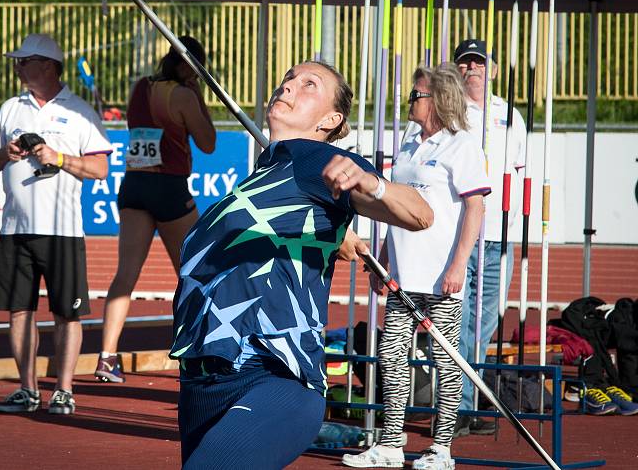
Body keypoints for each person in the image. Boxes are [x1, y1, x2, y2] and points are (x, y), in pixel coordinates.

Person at [171, 60, 434, 470]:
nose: (289, 86)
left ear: (331, 119)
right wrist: (331, 233)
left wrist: (373, 184)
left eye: (308, 84)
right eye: (287, 79)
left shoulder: (313, 157)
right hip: (202, 382)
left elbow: (420, 214)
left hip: (271, 374)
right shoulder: (265, 174)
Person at [343, 64, 489, 470]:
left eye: (416, 95)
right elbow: (396, 208)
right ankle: (391, 444)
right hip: (403, 275)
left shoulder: (462, 145)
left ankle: (441, 448)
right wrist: (383, 259)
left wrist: (459, 265)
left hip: (442, 275)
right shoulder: (408, 145)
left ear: (437, 100)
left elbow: (475, 209)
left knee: (444, 361)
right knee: (390, 356)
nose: (410, 100)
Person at [0, 33, 112, 415]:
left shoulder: (81, 110)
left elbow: (100, 169)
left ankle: (65, 390)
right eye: (17, 61)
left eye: (24, 61)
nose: (17, 67)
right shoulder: (9, 109)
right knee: (19, 310)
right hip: (15, 228)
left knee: (67, 312)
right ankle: (27, 389)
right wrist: (6, 153)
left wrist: (59, 157)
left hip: (63, 230)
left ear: (49, 66)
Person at [96, 36, 216, 383]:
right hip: (168, 188)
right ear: (187, 65)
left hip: (134, 185)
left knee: (126, 274)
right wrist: (198, 96)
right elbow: (208, 143)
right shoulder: (183, 95)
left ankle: (107, 357)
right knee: (195, 273)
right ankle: (193, 352)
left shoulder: (140, 87)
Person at [452, 39, 527, 437]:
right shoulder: (451, 112)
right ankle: (458, 406)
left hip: (501, 234)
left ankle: (462, 399)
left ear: (493, 70)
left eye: (479, 63)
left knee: (484, 322)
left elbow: (520, 171)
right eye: (465, 63)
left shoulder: (510, 115)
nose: (472, 69)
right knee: (459, 318)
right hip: (463, 234)